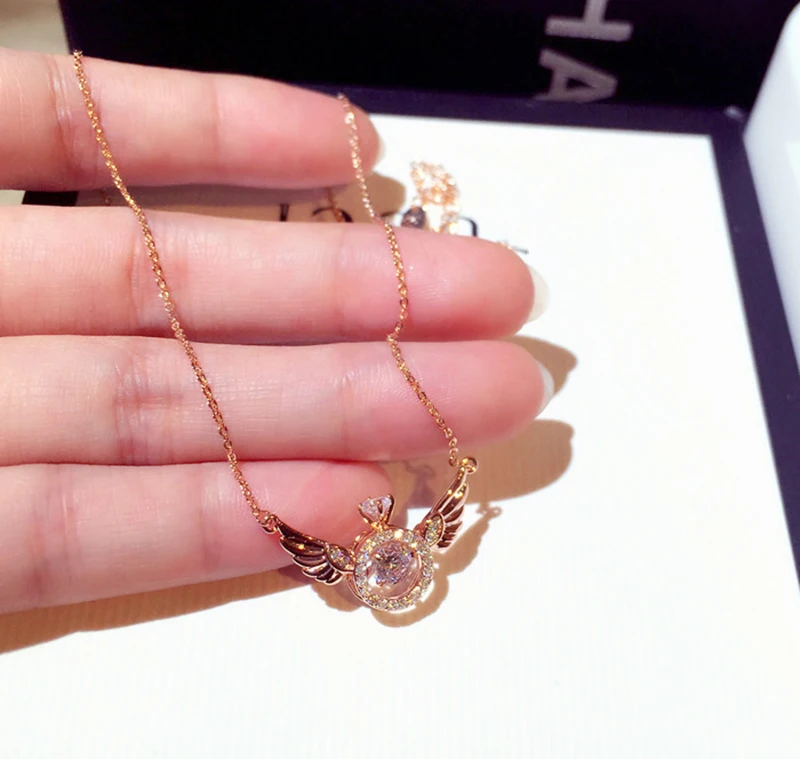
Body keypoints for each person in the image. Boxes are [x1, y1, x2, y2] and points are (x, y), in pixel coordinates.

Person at [0, 47, 551, 614]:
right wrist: (457, 489)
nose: (375, 515)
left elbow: (439, 519)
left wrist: (457, 490)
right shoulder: (393, 548)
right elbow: (440, 518)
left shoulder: (383, 551)